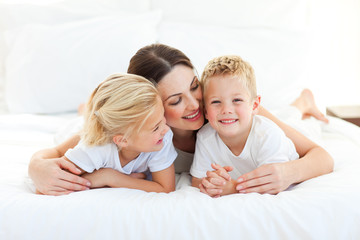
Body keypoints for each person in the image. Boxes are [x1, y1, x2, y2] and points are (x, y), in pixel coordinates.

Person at [28, 43, 333, 196]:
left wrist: (288, 172)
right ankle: (85, 107)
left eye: (194, 86)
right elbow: (53, 155)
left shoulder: (224, 111)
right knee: (84, 119)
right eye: (175, 100)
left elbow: (321, 157)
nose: (195, 104)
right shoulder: (137, 127)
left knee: (289, 119)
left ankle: (301, 102)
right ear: (151, 106)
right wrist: (37, 167)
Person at [43, 73, 177, 193]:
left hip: (108, 128)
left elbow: (166, 188)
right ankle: (83, 112)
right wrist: (104, 177)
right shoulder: (95, 149)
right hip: (81, 131)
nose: (166, 129)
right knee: (81, 128)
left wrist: (112, 178)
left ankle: (84, 110)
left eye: (162, 119)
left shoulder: (162, 137)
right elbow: (55, 180)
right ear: (123, 140)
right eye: (155, 128)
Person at [190, 55, 300, 196]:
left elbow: (271, 184)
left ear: (254, 105)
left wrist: (233, 187)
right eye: (216, 102)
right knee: (288, 115)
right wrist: (213, 181)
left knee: (297, 121)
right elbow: (197, 181)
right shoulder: (205, 137)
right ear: (205, 110)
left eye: (237, 100)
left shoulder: (268, 135)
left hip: (292, 138)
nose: (226, 110)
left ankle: (303, 103)